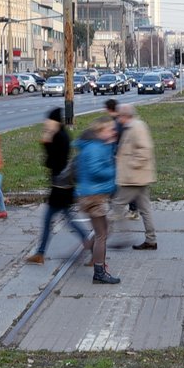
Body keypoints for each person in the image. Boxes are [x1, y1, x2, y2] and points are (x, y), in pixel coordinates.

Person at [26, 108, 91, 265]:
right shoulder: (63, 135)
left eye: (48, 120)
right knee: (65, 219)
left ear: (54, 121)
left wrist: (46, 142)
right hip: (63, 186)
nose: (46, 123)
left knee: (55, 220)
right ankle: (40, 253)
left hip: (60, 188)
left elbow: (51, 162)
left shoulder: (58, 137)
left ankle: (41, 253)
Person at [74, 116, 121, 284]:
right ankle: (99, 272)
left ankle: (95, 258)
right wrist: (114, 171)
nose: (113, 131)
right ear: (101, 131)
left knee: (103, 231)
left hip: (93, 194)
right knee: (102, 234)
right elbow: (95, 171)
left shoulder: (98, 146)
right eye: (110, 129)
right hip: (94, 196)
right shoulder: (95, 148)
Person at [109, 103, 159, 251]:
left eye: (119, 116)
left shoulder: (136, 127)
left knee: (117, 205)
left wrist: (131, 165)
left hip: (134, 177)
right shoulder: (133, 126)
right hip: (138, 176)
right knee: (145, 209)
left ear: (125, 116)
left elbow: (145, 149)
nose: (118, 119)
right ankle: (151, 240)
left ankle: (121, 237)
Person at [104, 98, 138, 220]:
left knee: (120, 183)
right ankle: (130, 208)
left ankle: (125, 209)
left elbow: (118, 140)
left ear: (109, 109)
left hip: (120, 157)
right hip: (122, 157)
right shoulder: (120, 121)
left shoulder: (118, 122)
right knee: (123, 184)